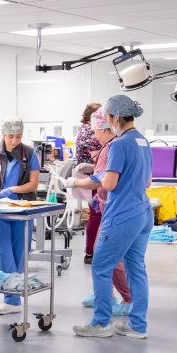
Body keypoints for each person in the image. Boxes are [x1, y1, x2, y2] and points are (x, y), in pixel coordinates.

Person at [72, 95, 153, 339]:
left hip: (122, 215)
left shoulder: (119, 144)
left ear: (116, 117)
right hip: (143, 212)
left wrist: (87, 179)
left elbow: (110, 182)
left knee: (101, 267)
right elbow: (148, 180)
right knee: (136, 269)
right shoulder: (142, 141)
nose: (106, 123)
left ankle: (101, 323)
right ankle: (138, 325)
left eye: (107, 118)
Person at [63, 108, 132, 315]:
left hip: (115, 210)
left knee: (109, 257)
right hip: (105, 205)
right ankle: (105, 295)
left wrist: (75, 182)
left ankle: (128, 299)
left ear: (103, 127)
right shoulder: (109, 147)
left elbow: (102, 179)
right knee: (100, 252)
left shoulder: (114, 147)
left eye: (95, 131)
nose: (93, 135)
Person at [0, 116, 39, 315]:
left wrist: (13, 189)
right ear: (3, 134)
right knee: (4, 254)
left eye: (18, 137)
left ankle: (14, 298)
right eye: (10, 137)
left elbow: (33, 184)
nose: (14, 141)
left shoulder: (30, 153)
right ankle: (10, 298)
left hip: (21, 209)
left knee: (20, 254)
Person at [76, 103, 103, 264]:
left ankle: (90, 251)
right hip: (95, 178)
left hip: (88, 176)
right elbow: (98, 161)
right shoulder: (92, 133)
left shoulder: (82, 131)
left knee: (95, 214)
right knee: (96, 214)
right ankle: (91, 252)